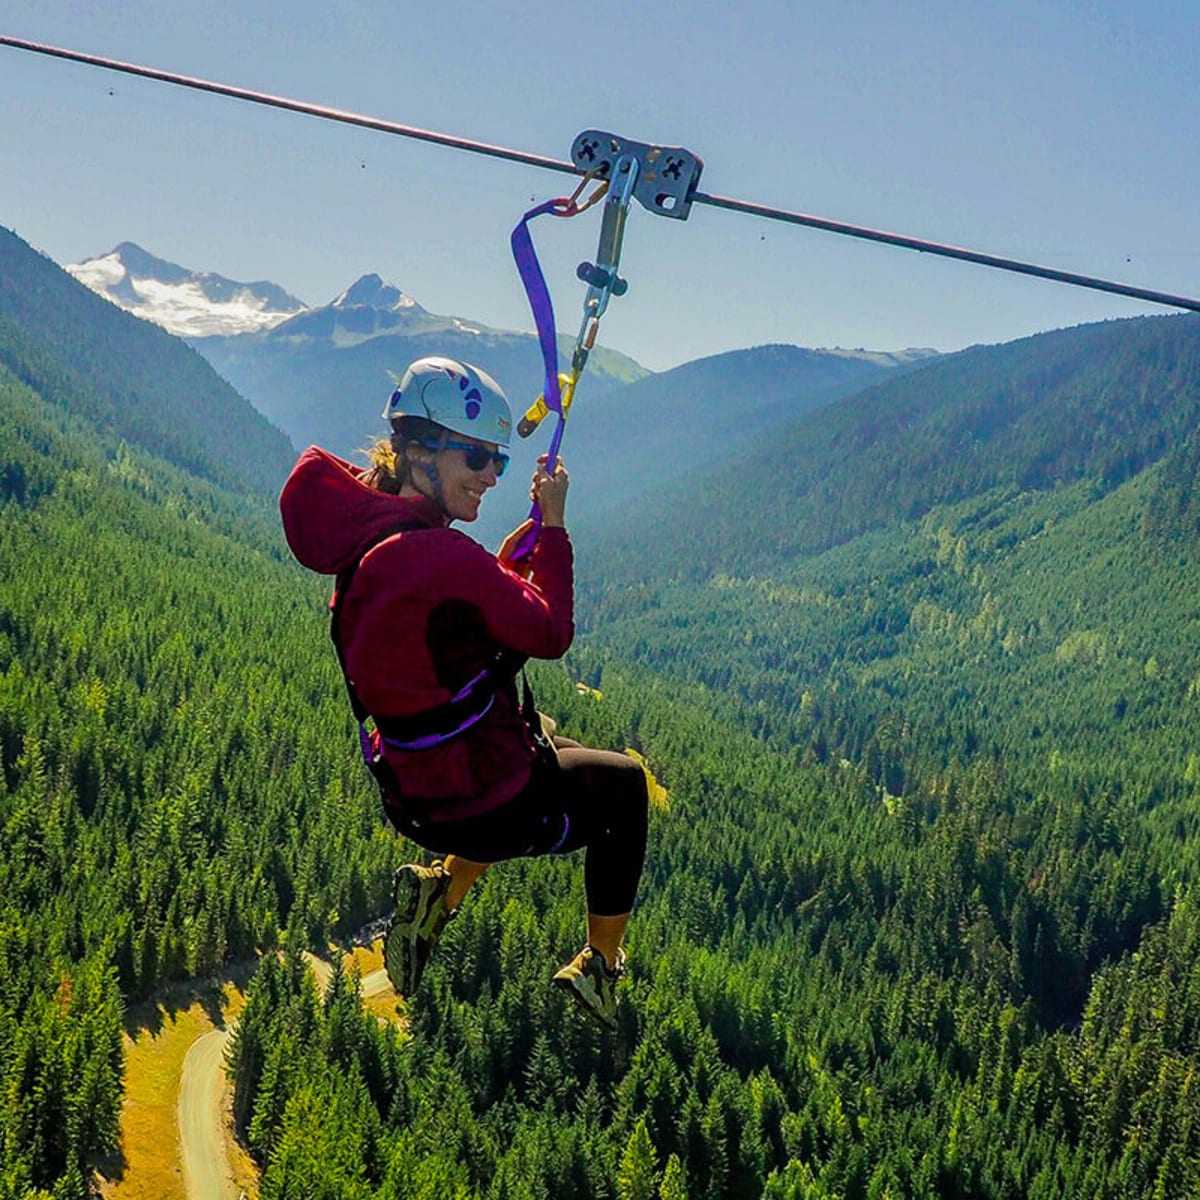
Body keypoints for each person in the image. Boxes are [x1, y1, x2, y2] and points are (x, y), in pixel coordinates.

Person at [279, 355, 648, 1029]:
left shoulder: (375, 545)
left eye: (499, 463)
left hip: (414, 791)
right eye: (477, 457)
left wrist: (501, 573)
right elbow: (552, 632)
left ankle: (439, 894)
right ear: (419, 450)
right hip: (472, 804)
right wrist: (556, 529)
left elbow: (440, 637)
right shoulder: (439, 555)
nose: (489, 476)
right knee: (625, 788)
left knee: (552, 747)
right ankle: (600, 965)